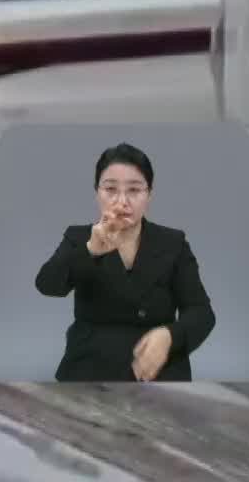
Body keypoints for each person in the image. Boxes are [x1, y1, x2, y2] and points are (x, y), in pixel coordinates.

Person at [34, 142, 215, 382]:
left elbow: (201, 312)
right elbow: (47, 284)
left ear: (149, 194)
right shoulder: (79, 237)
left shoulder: (173, 243)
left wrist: (170, 336)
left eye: (134, 190)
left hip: (157, 370)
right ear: (97, 192)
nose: (122, 201)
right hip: (90, 368)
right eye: (110, 189)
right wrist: (91, 251)